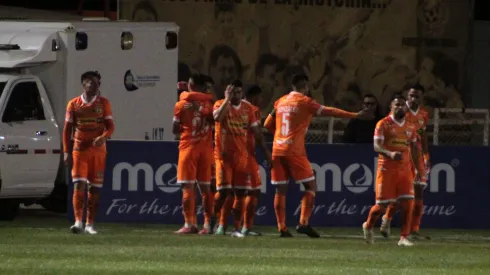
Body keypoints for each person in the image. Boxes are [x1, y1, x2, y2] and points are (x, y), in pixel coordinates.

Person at [263, 74, 373, 238]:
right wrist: (355, 115)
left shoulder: (280, 101)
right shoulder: (305, 102)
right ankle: (303, 223)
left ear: (292, 86)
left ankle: (282, 228)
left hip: (277, 149)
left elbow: (266, 124)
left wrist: (280, 137)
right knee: (311, 187)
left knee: (281, 190)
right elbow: (329, 111)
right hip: (294, 150)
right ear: (305, 86)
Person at [212, 80, 272, 238]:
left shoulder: (249, 109)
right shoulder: (220, 104)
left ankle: (235, 228)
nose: (236, 96)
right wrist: (226, 99)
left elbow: (256, 132)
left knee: (240, 192)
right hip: (223, 156)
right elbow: (217, 118)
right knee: (224, 191)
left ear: (243, 93)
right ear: (227, 92)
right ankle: (213, 218)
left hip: (242, 156)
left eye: (239, 92)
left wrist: (266, 152)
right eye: (233, 93)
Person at [362, 94, 423, 247]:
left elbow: (414, 148)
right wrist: (389, 153)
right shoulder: (383, 124)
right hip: (386, 168)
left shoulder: (410, 126)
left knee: (409, 202)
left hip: (404, 169)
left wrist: (417, 169)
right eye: (397, 105)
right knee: (381, 206)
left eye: (403, 105)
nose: (400, 107)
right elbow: (376, 146)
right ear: (391, 107)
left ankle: (403, 237)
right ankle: (368, 226)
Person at [64, 71, 114, 235]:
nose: (95, 85)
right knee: (79, 183)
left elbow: (110, 127)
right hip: (80, 150)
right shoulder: (73, 104)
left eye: (98, 82)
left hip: (98, 151)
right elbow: (67, 130)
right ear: (84, 84)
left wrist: (103, 137)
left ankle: (90, 224)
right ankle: (78, 221)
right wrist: (66, 151)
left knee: (95, 188)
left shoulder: (104, 103)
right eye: (91, 82)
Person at [380, 84, 430, 240]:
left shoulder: (423, 114)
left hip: (417, 156)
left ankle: (414, 229)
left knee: (419, 191)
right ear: (407, 96)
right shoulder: (400, 111)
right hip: (403, 157)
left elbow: (423, 135)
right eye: (411, 96)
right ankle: (387, 219)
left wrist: (427, 155)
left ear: (421, 97)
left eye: (417, 96)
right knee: (404, 195)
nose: (413, 99)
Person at [173, 74, 215, 235]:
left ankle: (189, 224)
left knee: (187, 186)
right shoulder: (211, 103)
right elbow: (213, 119)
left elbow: (175, 129)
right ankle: (207, 225)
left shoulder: (181, 104)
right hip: (205, 149)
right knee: (205, 188)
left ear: (191, 85)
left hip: (188, 148)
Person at [241, 85, 265, 236]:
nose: (261, 100)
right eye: (260, 97)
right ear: (254, 97)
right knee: (254, 190)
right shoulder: (253, 110)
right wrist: (267, 153)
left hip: (233, 154)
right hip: (247, 156)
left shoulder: (234, 108)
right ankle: (246, 227)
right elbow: (257, 134)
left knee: (232, 192)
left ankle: (220, 225)